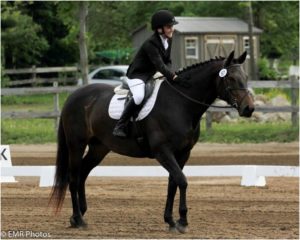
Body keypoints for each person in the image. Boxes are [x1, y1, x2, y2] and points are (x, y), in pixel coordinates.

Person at [113, 9, 182, 138]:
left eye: (172, 26)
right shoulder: (150, 44)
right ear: (159, 29)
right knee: (139, 96)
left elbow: (167, 61)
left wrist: (171, 72)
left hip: (151, 73)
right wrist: (172, 76)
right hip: (137, 75)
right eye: (168, 26)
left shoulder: (168, 40)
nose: (172, 29)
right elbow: (160, 65)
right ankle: (120, 125)